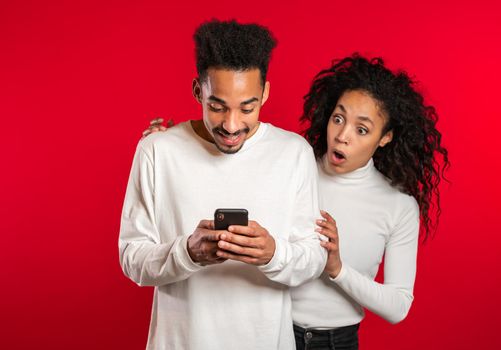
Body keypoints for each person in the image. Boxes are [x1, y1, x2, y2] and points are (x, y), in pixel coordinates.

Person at [145, 53, 449, 350]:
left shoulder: (398, 206)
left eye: (362, 129)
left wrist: (337, 268)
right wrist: (184, 145)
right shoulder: (289, 164)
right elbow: (227, 173)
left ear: (385, 137)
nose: (342, 136)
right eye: (338, 118)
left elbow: (398, 306)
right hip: (275, 332)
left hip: (336, 340)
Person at [119, 19, 326, 350]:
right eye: (217, 106)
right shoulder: (157, 151)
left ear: (265, 93)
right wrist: (188, 252)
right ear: (197, 91)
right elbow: (131, 259)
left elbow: (314, 259)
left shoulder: (294, 153)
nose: (231, 125)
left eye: (248, 108)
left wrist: (274, 254)